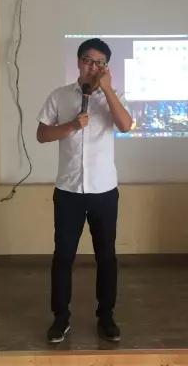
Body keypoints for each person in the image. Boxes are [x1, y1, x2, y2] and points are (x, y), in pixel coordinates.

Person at [36, 38, 133, 343]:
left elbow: (126, 125)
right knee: (63, 256)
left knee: (106, 256)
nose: (94, 67)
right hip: (69, 190)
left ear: (106, 67)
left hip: (104, 190)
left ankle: (106, 316)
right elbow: (42, 134)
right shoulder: (60, 96)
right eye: (89, 61)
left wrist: (107, 90)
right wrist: (71, 126)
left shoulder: (113, 97)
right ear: (79, 62)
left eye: (100, 63)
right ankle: (60, 318)